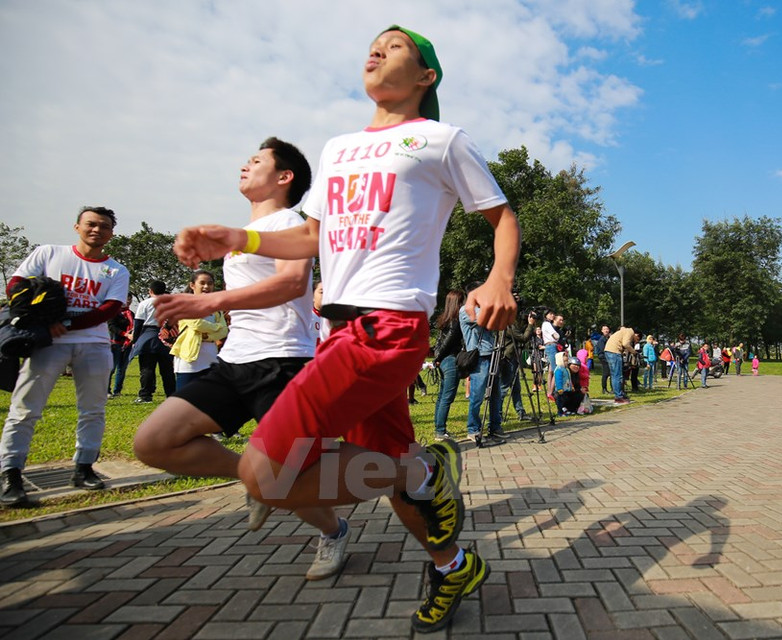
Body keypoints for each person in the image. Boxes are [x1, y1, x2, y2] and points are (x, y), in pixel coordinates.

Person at [163, 26, 520, 634]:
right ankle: (452, 563)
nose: (376, 50)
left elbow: (502, 216)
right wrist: (238, 237)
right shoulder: (338, 148)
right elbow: (312, 237)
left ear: (426, 76)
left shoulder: (441, 140)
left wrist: (498, 279)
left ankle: (427, 472)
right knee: (387, 462)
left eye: (395, 46)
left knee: (262, 474)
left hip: (387, 327)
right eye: (373, 44)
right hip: (338, 330)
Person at [134, 137, 346, 581]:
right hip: (233, 361)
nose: (244, 166)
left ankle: (333, 531)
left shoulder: (291, 224)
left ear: (284, 176)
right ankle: (253, 478)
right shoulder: (240, 236)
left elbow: (292, 284)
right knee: (154, 442)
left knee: (292, 478)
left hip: (283, 362)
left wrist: (209, 302)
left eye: (256, 160)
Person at [0, 207, 130, 507]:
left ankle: (84, 467)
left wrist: (68, 323)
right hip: (47, 343)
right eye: (91, 224)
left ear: (111, 233)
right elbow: (16, 283)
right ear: (77, 227)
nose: (97, 230)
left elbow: (110, 308)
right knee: (25, 408)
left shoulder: (116, 270)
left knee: (93, 410)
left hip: (94, 343)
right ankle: (11, 473)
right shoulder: (49, 254)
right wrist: (37, 316)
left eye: (104, 226)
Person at [461, 282, 509, 443]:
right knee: (477, 395)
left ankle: (495, 427)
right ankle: (473, 429)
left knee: (496, 394)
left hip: (492, 354)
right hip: (479, 357)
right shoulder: (465, 310)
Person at [171, 270, 228, 390]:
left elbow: (224, 331)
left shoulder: (216, 308)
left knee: (208, 397)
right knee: (184, 397)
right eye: (202, 283)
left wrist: (207, 336)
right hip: (189, 360)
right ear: (192, 285)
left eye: (210, 283)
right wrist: (216, 327)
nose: (206, 287)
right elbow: (196, 324)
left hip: (210, 359)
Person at [131, 280, 176, 403]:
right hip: (165, 336)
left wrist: (135, 340)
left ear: (150, 291)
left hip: (148, 335)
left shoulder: (144, 303)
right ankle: (171, 394)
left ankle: (145, 395)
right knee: (167, 369)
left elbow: (138, 323)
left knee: (147, 368)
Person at [432, 290, 465, 440]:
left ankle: (439, 427)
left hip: (443, 360)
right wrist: (438, 357)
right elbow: (448, 341)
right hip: (450, 360)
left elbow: (439, 341)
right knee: (447, 397)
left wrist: (437, 357)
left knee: (442, 396)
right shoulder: (455, 321)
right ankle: (440, 431)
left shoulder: (445, 319)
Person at [498, 309, 537, 421]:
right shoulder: (508, 325)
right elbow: (523, 338)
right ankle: (497, 414)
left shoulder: (511, 324)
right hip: (508, 358)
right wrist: (530, 325)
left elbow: (521, 334)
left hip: (513, 358)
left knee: (516, 388)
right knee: (504, 387)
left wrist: (528, 325)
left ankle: (520, 412)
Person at [107, 294, 134, 398]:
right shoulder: (113, 312)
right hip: (115, 343)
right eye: (126, 299)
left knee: (122, 369)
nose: (128, 301)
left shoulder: (131, 314)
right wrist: (125, 334)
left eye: (130, 299)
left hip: (127, 344)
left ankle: (117, 390)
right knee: (111, 368)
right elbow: (112, 327)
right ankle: (107, 390)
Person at [604, 326, 635, 404]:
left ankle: (620, 394)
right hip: (614, 352)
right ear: (636, 335)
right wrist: (634, 352)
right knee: (617, 375)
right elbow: (626, 344)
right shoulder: (630, 332)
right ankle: (618, 397)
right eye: (637, 339)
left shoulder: (623, 332)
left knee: (615, 375)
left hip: (609, 351)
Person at [540, 310, 560, 400]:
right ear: (546, 315)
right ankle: (551, 392)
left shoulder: (546, 324)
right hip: (551, 345)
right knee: (556, 370)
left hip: (549, 346)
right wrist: (558, 336)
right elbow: (555, 335)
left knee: (551, 370)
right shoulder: (547, 324)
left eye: (553, 313)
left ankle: (550, 391)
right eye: (551, 314)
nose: (553, 315)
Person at [595, 325, 611, 394]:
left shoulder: (608, 338)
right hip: (604, 357)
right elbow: (602, 350)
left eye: (607, 329)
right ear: (602, 331)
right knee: (606, 373)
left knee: (610, 373)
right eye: (604, 329)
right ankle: (604, 389)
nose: (606, 330)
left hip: (608, 357)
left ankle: (612, 388)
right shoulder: (602, 339)